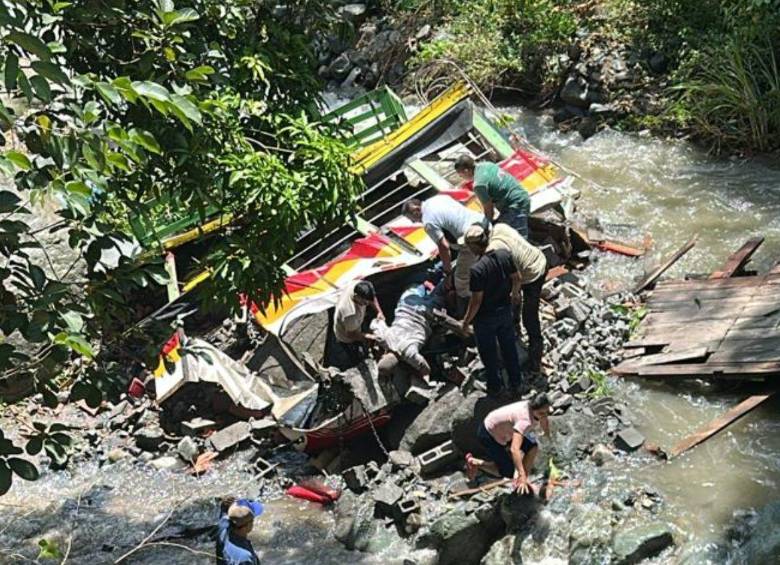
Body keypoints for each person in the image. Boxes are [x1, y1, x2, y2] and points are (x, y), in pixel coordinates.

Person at [459, 224, 523, 396]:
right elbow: (517, 278)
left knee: (489, 354)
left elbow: (476, 300)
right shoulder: (504, 254)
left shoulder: (477, 270)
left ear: (474, 246)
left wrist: (466, 322)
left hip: (485, 318)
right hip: (505, 310)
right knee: (509, 348)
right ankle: (516, 383)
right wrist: (514, 295)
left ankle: (495, 387)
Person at [487, 223, 548, 374]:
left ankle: (536, 360)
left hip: (534, 273)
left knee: (530, 317)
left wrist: (515, 293)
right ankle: (515, 327)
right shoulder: (499, 227)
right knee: (513, 299)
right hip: (537, 258)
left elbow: (517, 277)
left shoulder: (496, 251)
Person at [402, 195, 486, 301]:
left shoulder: (428, 222)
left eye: (411, 219)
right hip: (482, 222)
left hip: (472, 239)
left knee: (461, 282)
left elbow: (444, 247)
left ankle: (479, 302)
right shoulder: (438, 198)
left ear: (416, 211)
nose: (413, 222)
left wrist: (448, 274)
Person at [465, 393, 551, 494]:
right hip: (489, 434)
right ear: (533, 409)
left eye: (547, 412)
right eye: (541, 413)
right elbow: (514, 449)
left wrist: (547, 434)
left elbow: (544, 419)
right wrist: (521, 474)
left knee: (532, 447)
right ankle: (475, 462)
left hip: (507, 430)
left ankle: (522, 481)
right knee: (507, 471)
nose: (544, 415)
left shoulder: (534, 408)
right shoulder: (524, 420)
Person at [371, 281, 446, 377]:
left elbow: (426, 370)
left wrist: (412, 371)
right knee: (414, 287)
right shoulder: (385, 338)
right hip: (407, 306)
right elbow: (375, 323)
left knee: (441, 294)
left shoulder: (410, 354)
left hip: (426, 314)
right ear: (384, 355)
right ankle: (426, 286)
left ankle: (436, 288)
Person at [454, 154, 531, 238]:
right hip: (522, 195)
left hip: (514, 206)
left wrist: (485, 227)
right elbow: (492, 186)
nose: (462, 178)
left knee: (512, 237)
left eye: (461, 175)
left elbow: (489, 211)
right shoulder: (487, 165)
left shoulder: (479, 185)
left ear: (466, 171)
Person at [331, 280, 385, 364]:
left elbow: (372, 298)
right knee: (354, 352)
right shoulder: (349, 314)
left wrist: (379, 312)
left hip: (356, 323)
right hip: (346, 336)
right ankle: (356, 361)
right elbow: (351, 334)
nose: (367, 304)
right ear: (356, 296)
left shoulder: (358, 285)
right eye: (364, 302)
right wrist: (370, 337)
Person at [216, 499, 263, 565]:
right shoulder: (245, 558)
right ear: (246, 526)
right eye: (252, 520)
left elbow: (224, 513)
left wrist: (227, 504)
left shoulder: (223, 526)